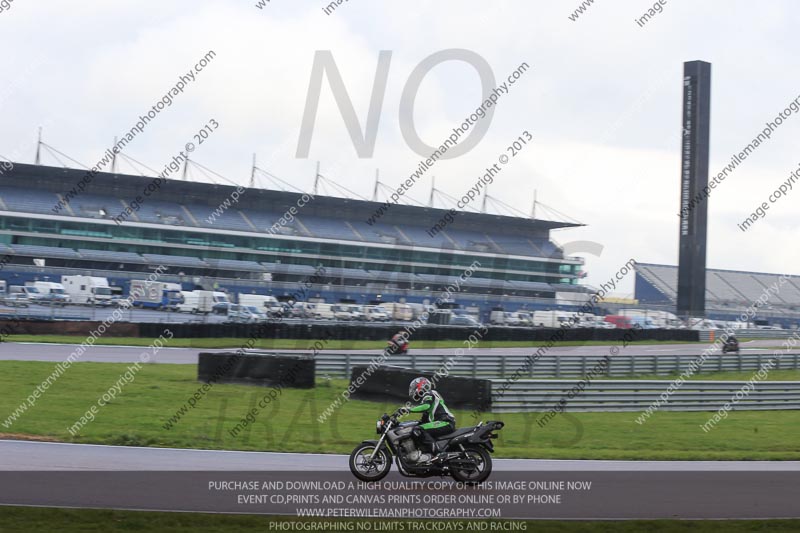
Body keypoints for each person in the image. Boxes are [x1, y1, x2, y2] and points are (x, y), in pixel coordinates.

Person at [400, 377, 456, 464]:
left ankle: (439, 454)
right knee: (417, 428)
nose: (413, 390)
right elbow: (424, 420)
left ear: (421, 386)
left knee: (418, 430)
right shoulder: (429, 396)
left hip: (445, 421)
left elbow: (426, 406)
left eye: (414, 387)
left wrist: (409, 409)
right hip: (442, 421)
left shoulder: (429, 394)